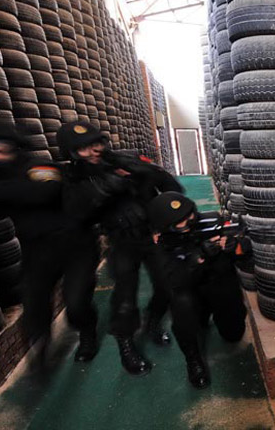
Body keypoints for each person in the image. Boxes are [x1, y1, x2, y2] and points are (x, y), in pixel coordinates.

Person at [0, 122, 100, 362]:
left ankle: (87, 332)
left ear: (12, 149)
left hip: (77, 246)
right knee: (34, 305)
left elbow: (44, 193)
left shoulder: (40, 167)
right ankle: (40, 353)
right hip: (37, 251)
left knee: (76, 304)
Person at [58, 121, 181, 375]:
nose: (94, 150)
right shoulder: (74, 179)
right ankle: (126, 345)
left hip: (153, 235)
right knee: (125, 298)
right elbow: (76, 214)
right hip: (121, 241)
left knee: (168, 286)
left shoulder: (127, 159)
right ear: (72, 153)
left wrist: (164, 216)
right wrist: (104, 188)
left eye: (96, 143)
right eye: (84, 148)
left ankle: (153, 322)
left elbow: (170, 185)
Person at [147, 192, 247, 388]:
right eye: (180, 222)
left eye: (189, 215)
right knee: (182, 305)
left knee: (233, 335)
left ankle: (216, 314)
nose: (188, 221)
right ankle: (193, 359)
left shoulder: (213, 221)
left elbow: (245, 244)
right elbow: (174, 280)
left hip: (219, 285)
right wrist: (198, 257)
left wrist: (236, 246)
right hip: (190, 290)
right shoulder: (162, 243)